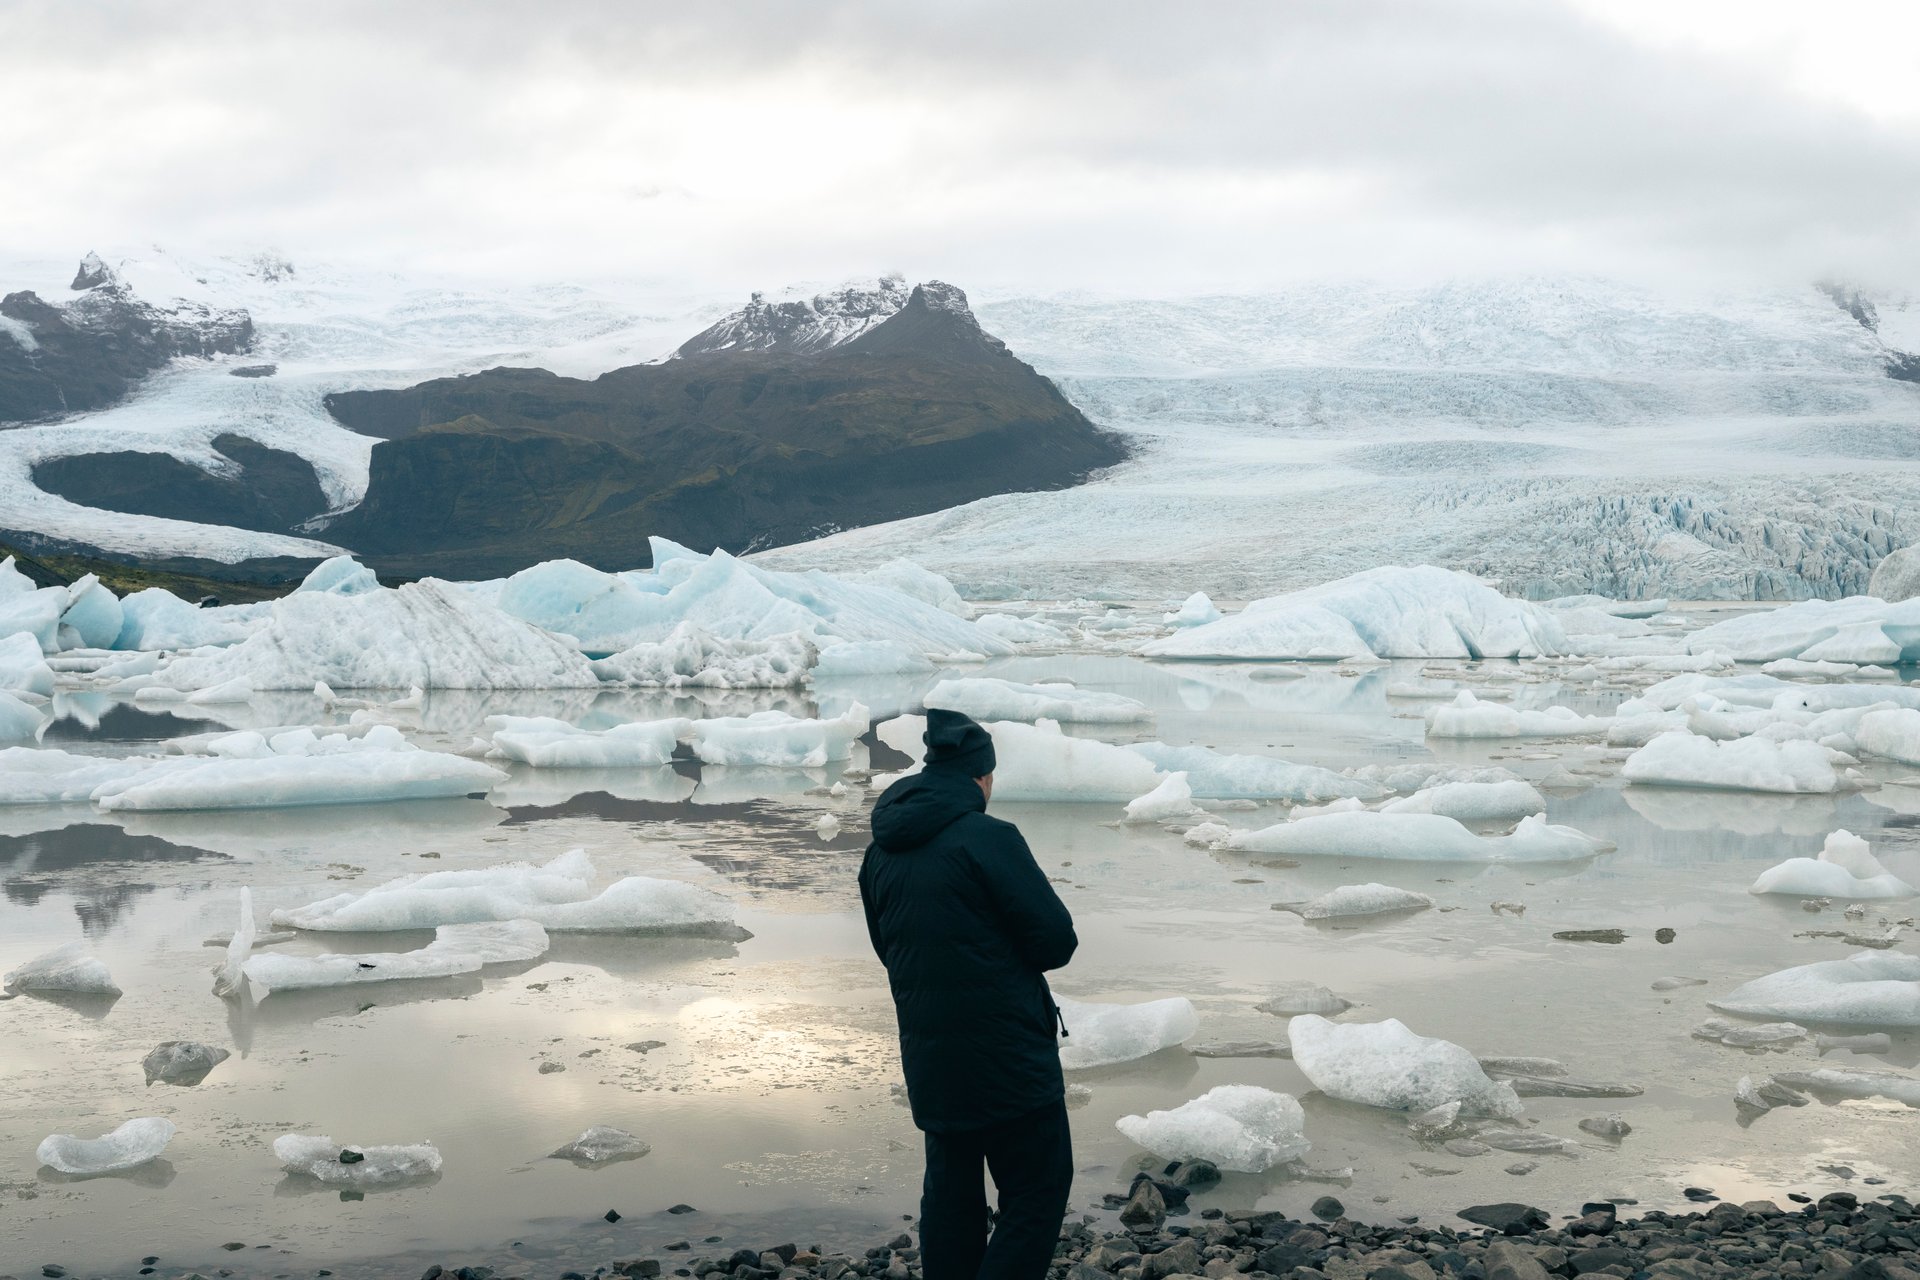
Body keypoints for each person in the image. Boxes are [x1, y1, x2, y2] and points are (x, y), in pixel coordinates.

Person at [859, 708, 1079, 1280]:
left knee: (951, 1194)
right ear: (981, 777)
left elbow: (888, 948)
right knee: (1037, 1189)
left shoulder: (881, 849)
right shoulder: (990, 838)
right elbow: (1055, 942)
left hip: (931, 1053)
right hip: (1009, 1055)